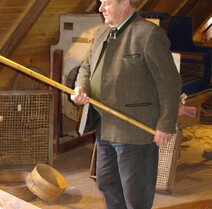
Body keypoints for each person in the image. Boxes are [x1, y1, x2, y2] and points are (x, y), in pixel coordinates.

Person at [71, 0, 181, 208]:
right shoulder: (103, 32)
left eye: (107, 3)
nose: (100, 8)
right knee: (107, 183)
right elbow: (86, 66)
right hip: (105, 126)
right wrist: (81, 88)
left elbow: (170, 83)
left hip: (135, 130)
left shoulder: (148, 34)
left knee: (135, 193)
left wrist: (165, 125)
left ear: (126, 3)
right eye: (101, 2)